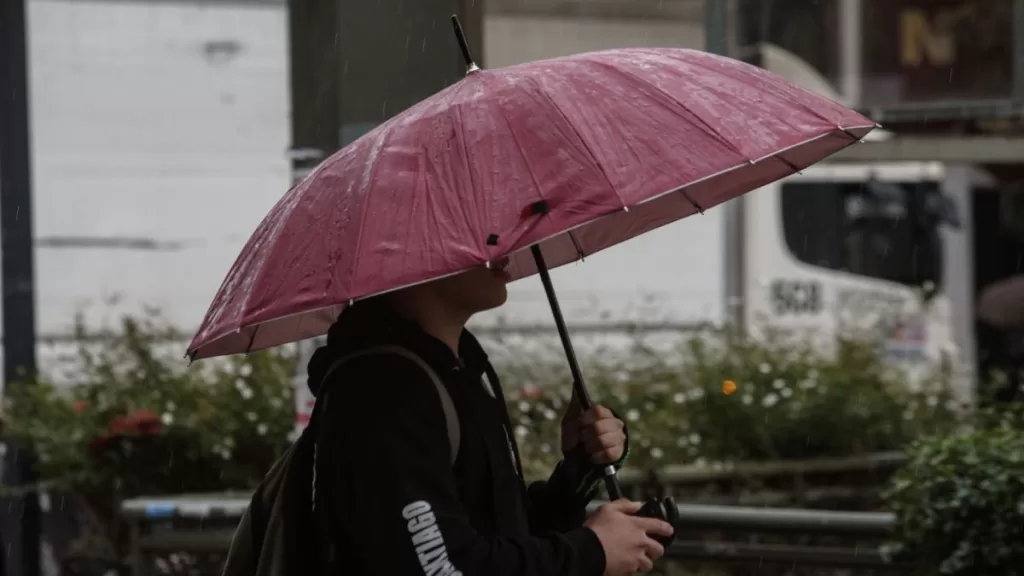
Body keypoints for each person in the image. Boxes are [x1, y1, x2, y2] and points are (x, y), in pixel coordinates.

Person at [305, 256, 674, 575]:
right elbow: (441, 565)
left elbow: (505, 536)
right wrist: (589, 551)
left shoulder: (460, 372)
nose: (502, 246)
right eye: (475, 232)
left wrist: (577, 471)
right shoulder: (382, 389)